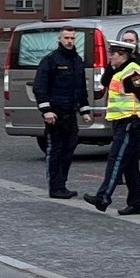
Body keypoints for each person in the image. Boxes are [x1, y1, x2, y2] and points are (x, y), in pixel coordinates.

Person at [84, 40, 140, 216]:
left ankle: (103, 197)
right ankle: (136, 203)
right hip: (124, 122)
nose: (110, 57)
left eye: (113, 54)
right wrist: (112, 65)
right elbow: (105, 80)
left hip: (131, 122)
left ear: (122, 55)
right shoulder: (121, 70)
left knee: (116, 159)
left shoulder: (131, 72)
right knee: (129, 165)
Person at [33, 26, 91, 199]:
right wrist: (46, 111)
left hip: (70, 113)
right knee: (55, 150)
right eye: (66, 38)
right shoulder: (50, 60)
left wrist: (84, 110)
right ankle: (55, 187)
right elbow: (40, 87)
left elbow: (81, 88)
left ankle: (62, 184)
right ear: (59, 39)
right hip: (55, 114)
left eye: (72, 38)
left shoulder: (77, 61)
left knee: (69, 149)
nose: (69, 41)